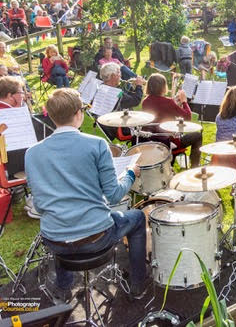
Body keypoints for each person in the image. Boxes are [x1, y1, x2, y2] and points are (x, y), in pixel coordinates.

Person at [25, 88, 147, 301]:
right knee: (137, 218)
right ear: (78, 113)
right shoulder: (97, 144)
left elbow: (41, 205)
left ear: (51, 116)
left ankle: (63, 287)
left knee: (62, 223)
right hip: (96, 237)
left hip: (54, 238)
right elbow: (115, 195)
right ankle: (138, 285)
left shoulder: (32, 153)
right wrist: (129, 174)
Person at [142, 73, 203, 167]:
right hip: (167, 140)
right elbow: (187, 117)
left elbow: (161, 110)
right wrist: (184, 102)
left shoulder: (145, 101)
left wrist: (174, 105)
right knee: (197, 135)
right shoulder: (168, 102)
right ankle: (195, 166)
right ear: (163, 87)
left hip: (150, 139)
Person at [98, 63, 145, 141]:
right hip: (118, 128)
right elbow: (135, 101)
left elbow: (127, 100)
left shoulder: (101, 87)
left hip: (106, 124)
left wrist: (133, 89)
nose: (121, 75)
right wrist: (139, 86)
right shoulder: (114, 93)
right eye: (119, 72)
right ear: (113, 76)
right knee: (148, 126)